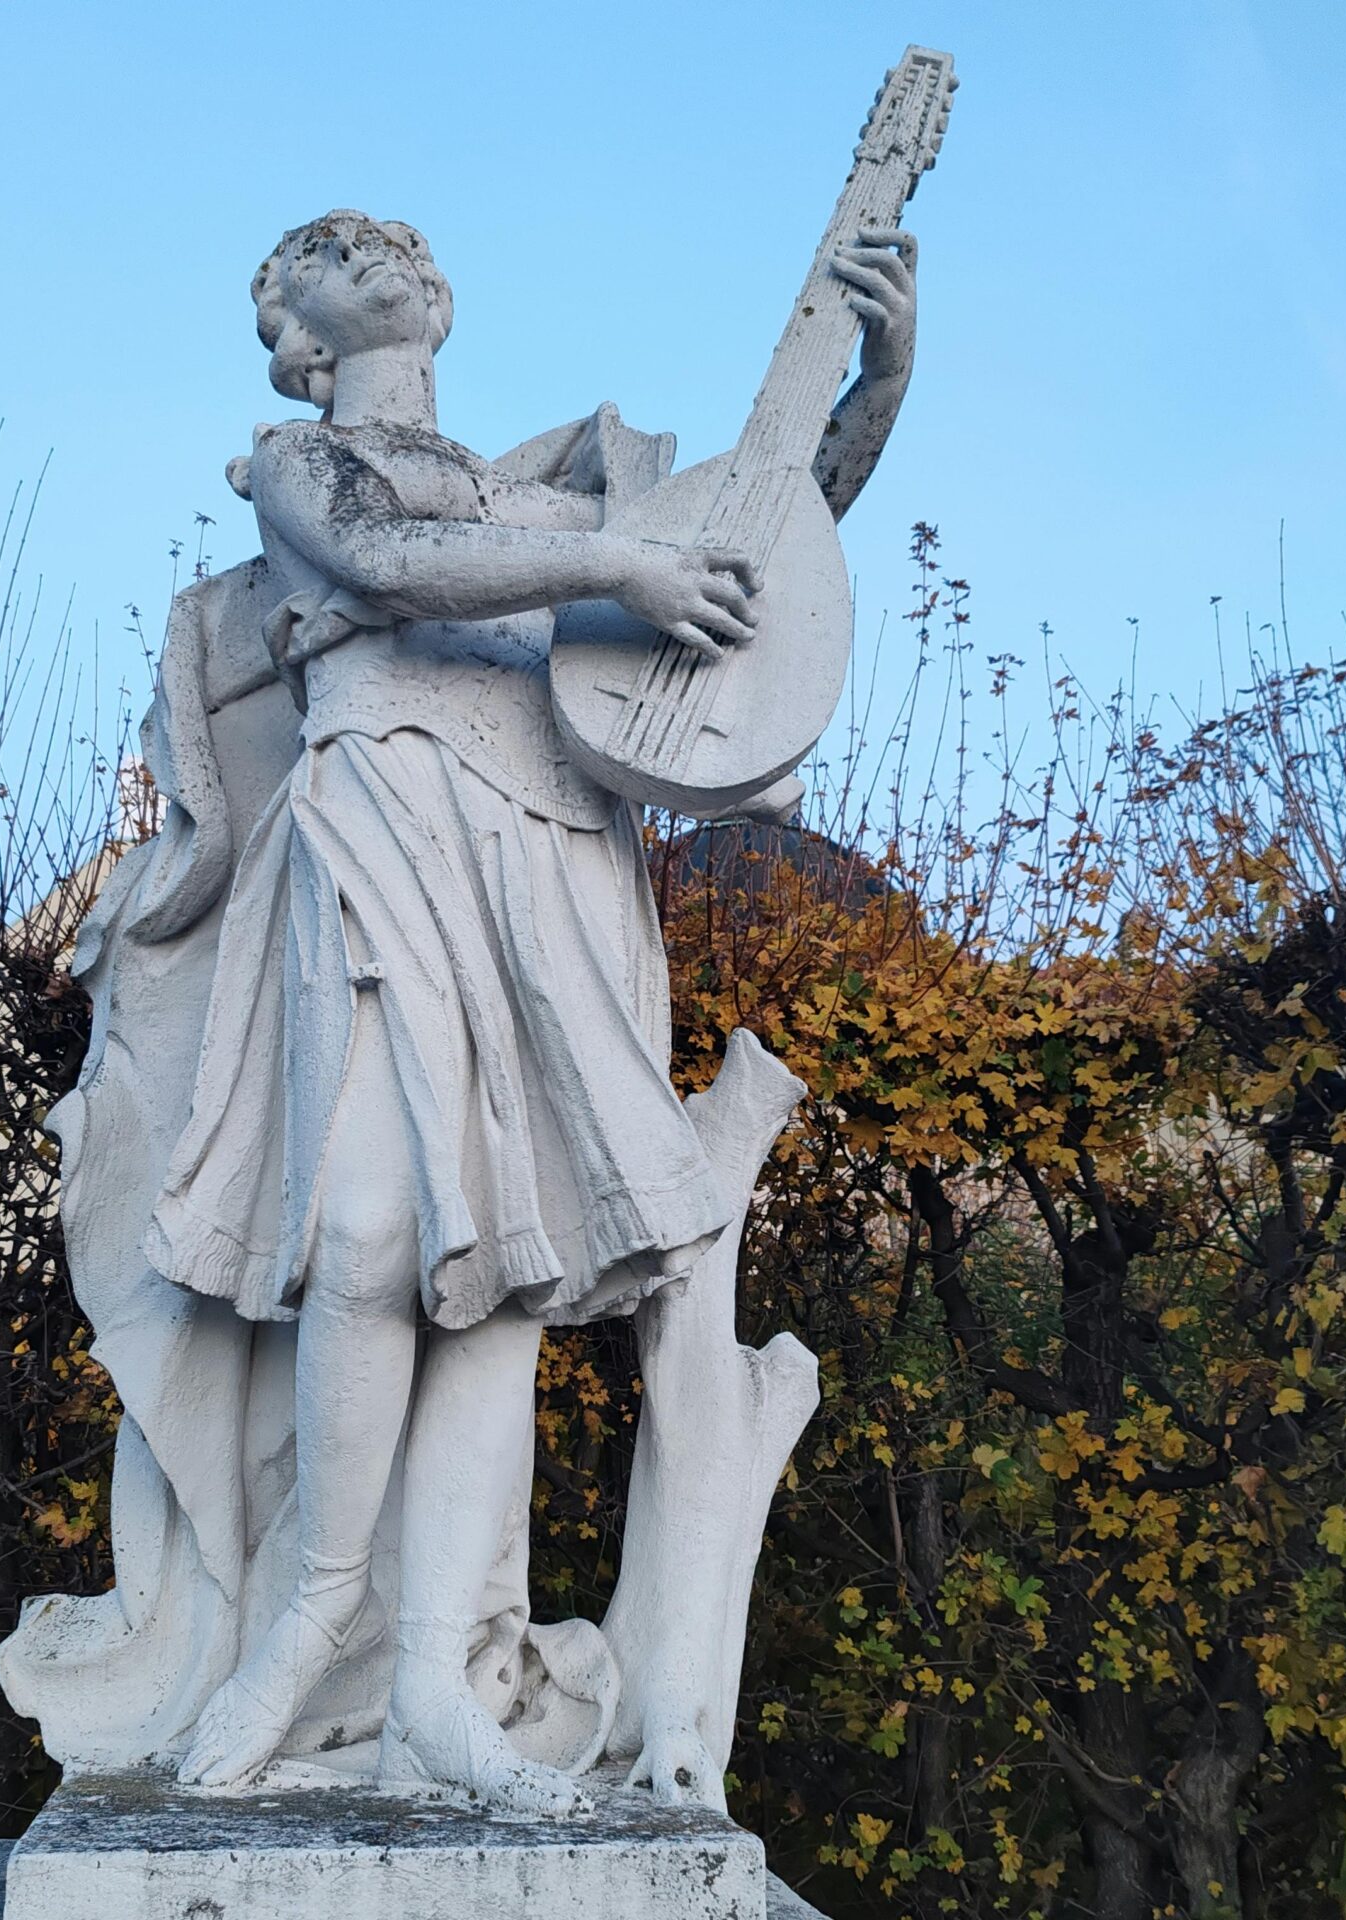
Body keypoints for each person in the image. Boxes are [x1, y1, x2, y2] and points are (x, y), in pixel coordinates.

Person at [152, 209, 916, 1807]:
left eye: (396, 244)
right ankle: (310, 1625)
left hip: (544, 862)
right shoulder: (308, 470)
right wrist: (611, 558)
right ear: (298, 333)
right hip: (385, 831)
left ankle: (440, 1682)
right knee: (365, 1236)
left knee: (506, 1276)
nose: (387, 253)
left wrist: (880, 373)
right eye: (334, 255)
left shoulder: (541, 496)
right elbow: (393, 562)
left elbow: (765, 536)